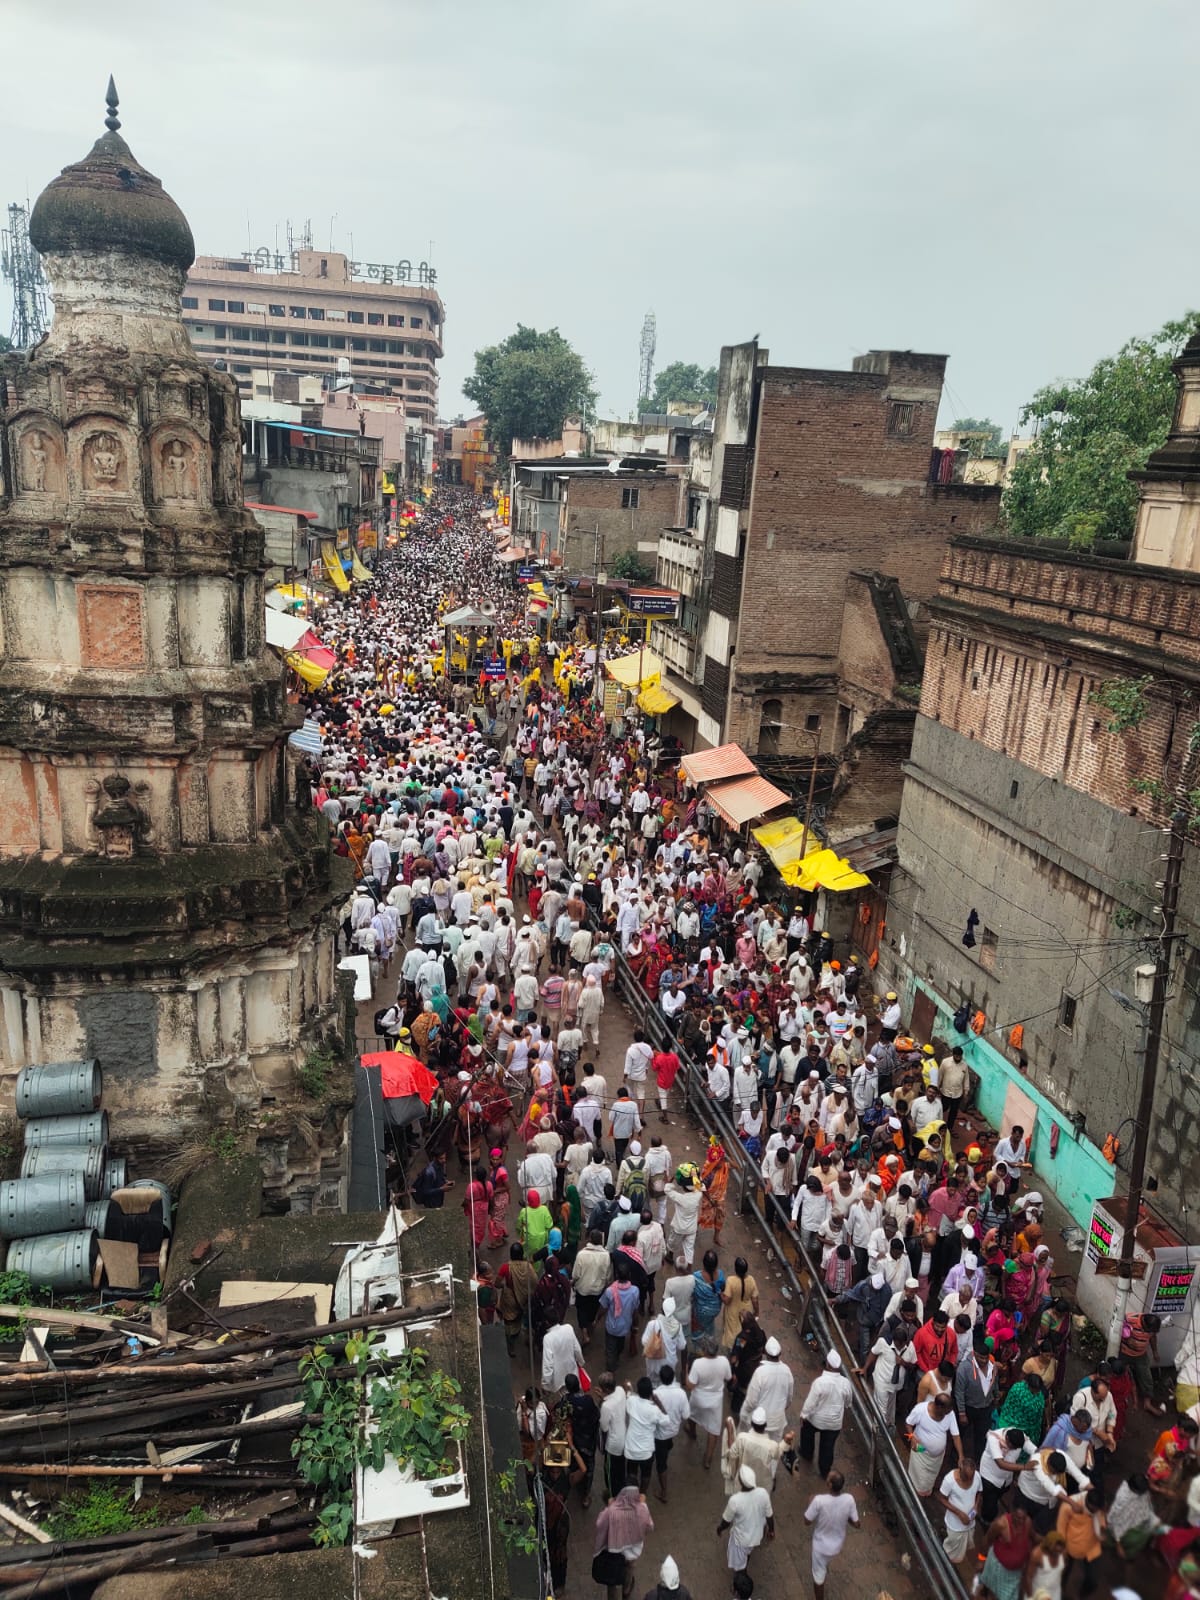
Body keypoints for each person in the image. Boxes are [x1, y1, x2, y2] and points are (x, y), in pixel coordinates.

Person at [803, 1469, 859, 1600]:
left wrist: (810, 1503)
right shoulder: (849, 1499)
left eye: (828, 1479)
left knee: (818, 1577)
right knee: (824, 1565)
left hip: (820, 1548)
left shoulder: (818, 1501)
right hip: (836, 1546)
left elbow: (807, 1521)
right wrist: (845, 1517)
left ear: (829, 1485)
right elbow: (857, 1524)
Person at [593, 1483, 654, 1600]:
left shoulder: (611, 1511)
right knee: (629, 1570)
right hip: (632, 1552)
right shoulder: (642, 1508)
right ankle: (626, 1591)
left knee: (612, 1580)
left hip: (614, 1551)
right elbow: (650, 1527)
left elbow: (599, 1524)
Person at [799, 1349, 852, 1475]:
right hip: (834, 1424)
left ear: (828, 1365)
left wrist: (803, 1415)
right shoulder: (846, 1383)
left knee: (807, 1433)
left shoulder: (820, 1382)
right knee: (827, 1447)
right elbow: (848, 1402)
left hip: (816, 1419)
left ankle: (807, 1453)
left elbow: (810, 1402)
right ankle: (824, 1470)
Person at [717, 1464, 774, 1574]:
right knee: (747, 1553)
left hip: (741, 1540)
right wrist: (772, 1530)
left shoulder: (735, 1500)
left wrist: (720, 1529)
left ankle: (740, 1583)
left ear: (741, 1482)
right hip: (756, 1536)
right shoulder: (763, 1493)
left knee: (739, 1567)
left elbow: (726, 1522)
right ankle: (744, 1564)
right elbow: (769, 1516)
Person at [723, 1406, 795, 1493]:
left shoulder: (742, 1438)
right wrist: (786, 1441)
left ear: (752, 1423)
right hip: (762, 1487)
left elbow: (731, 1454)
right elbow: (778, 1453)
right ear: (765, 1425)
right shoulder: (771, 1446)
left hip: (743, 1483)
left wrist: (730, 1430)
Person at [686, 1336, 732, 1469]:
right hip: (715, 1402)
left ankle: (692, 1431)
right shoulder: (723, 1361)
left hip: (699, 1398)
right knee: (713, 1431)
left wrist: (685, 1372)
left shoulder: (698, 1364)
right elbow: (728, 1377)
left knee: (691, 1415)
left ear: (705, 1350)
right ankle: (708, 1459)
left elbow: (690, 1386)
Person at [905, 1392, 963, 1497]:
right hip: (921, 1451)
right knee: (919, 1481)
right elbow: (908, 1423)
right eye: (946, 1411)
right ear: (939, 1407)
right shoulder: (920, 1410)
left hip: (937, 1457)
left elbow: (956, 1436)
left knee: (929, 1480)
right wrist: (911, 1437)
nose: (948, 1414)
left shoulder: (949, 1414)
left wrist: (961, 1456)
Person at [742, 1335, 794, 1442]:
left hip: (759, 1422)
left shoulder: (760, 1372)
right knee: (773, 1452)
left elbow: (751, 1401)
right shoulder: (787, 1371)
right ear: (780, 1354)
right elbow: (789, 1398)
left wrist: (745, 1413)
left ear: (765, 1353)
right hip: (777, 1421)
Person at [977, 1505, 1035, 1600]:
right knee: (995, 1593)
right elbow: (987, 1539)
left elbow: (1033, 1536)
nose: (1021, 1521)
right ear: (1012, 1514)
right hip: (999, 1568)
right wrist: (981, 1560)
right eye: (1018, 1518)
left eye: (1023, 1519)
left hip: (1015, 1572)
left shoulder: (1027, 1522)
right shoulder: (1001, 1524)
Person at [936, 1454, 982, 1564]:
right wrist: (959, 1513)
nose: (969, 1481)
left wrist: (976, 1506)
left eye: (971, 1478)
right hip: (955, 1525)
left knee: (968, 1544)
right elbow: (942, 1498)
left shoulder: (977, 1477)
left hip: (970, 1523)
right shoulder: (949, 1480)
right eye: (966, 1478)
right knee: (951, 1549)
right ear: (960, 1470)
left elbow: (979, 1493)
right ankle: (945, 1564)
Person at [600, 1262, 642, 1372]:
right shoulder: (634, 1291)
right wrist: (635, 1324)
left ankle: (610, 1369)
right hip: (625, 1327)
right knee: (620, 1346)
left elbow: (603, 1307)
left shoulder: (610, 1291)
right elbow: (635, 1310)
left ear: (617, 1275)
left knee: (610, 1349)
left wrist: (597, 1319)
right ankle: (616, 1359)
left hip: (611, 1326)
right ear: (629, 1275)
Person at [541, 1307, 584, 1396]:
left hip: (560, 1378)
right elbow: (577, 1349)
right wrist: (581, 1362)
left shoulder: (548, 1338)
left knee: (567, 1400)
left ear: (546, 1322)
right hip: (572, 1371)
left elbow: (548, 1364)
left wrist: (545, 1383)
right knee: (577, 1394)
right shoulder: (568, 1328)